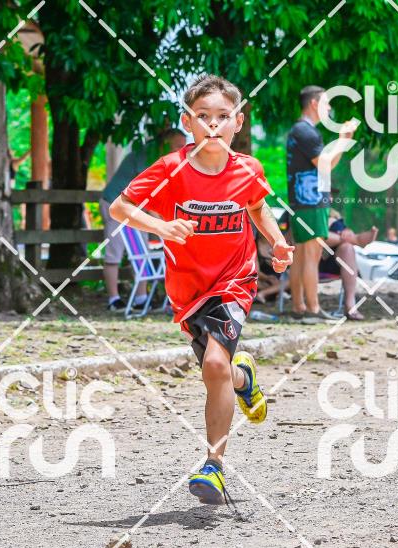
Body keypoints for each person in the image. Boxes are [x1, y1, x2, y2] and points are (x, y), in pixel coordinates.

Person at [110, 74, 293, 505]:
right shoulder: (170, 169)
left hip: (234, 281)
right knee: (219, 371)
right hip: (188, 290)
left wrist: (277, 241)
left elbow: (257, 207)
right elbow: (120, 207)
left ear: (238, 123)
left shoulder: (247, 168)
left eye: (223, 116)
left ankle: (214, 466)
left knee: (213, 362)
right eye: (203, 116)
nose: (213, 124)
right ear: (187, 122)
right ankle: (244, 377)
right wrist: (162, 227)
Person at [286, 85, 357, 322]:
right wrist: (343, 139)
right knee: (311, 254)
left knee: (301, 254)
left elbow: (327, 164)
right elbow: (324, 163)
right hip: (311, 201)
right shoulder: (306, 131)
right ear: (314, 104)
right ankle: (313, 309)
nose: (330, 108)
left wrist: (343, 141)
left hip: (302, 200)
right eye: (327, 103)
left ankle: (298, 306)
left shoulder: (301, 130)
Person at [100, 129, 187, 311]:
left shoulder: (167, 160)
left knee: (140, 251)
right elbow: (148, 194)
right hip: (115, 203)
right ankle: (113, 300)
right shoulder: (146, 156)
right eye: (179, 146)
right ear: (166, 144)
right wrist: (162, 224)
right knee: (114, 253)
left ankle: (141, 299)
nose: (183, 150)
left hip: (136, 209)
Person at [319, 210, 378, 320]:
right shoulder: (299, 210)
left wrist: (346, 231)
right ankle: (356, 239)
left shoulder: (333, 217)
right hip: (304, 261)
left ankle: (350, 305)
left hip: (330, 262)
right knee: (314, 233)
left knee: (347, 247)